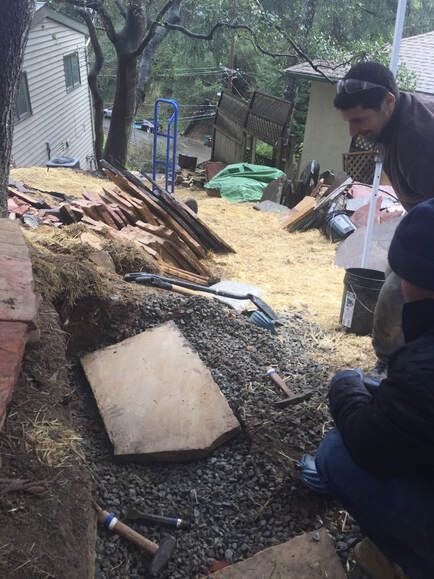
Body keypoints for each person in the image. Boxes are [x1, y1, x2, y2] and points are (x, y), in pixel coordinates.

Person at [299, 199, 434, 579]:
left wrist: (344, 385)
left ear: (413, 281)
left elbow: (369, 442)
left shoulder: (424, 366)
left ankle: (405, 561)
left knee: (336, 451)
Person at [334, 61, 434, 363]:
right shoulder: (393, 123)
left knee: (394, 303)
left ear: (388, 101)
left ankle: (397, 378)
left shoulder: (422, 138)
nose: (353, 130)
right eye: (348, 121)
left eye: (360, 119)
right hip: (424, 219)